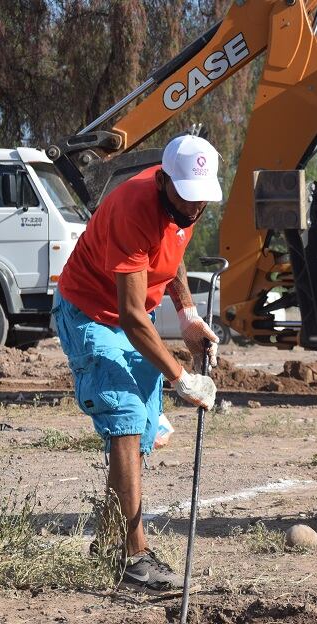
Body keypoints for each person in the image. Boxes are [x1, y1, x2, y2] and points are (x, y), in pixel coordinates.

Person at [52, 134, 221, 594]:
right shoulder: (133, 208)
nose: (194, 210)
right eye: (186, 199)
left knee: (141, 436)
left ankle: (108, 543)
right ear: (163, 179)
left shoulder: (187, 202)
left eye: (201, 201)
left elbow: (173, 255)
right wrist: (181, 377)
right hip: (91, 314)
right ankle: (134, 558)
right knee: (126, 417)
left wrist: (187, 317)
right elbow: (128, 317)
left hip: (133, 318)